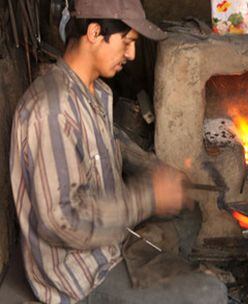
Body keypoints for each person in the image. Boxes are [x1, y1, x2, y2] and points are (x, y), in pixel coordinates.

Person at [9, 0, 227, 303]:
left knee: (188, 211)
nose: (132, 54)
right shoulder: (53, 109)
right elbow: (63, 221)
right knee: (211, 294)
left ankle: (154, 265)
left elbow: (111, 151)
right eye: (127, 42)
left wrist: (157, 175)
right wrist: (148, 197)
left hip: (110, 239)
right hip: (82, 272)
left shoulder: (95, 92)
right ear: (95, 33)